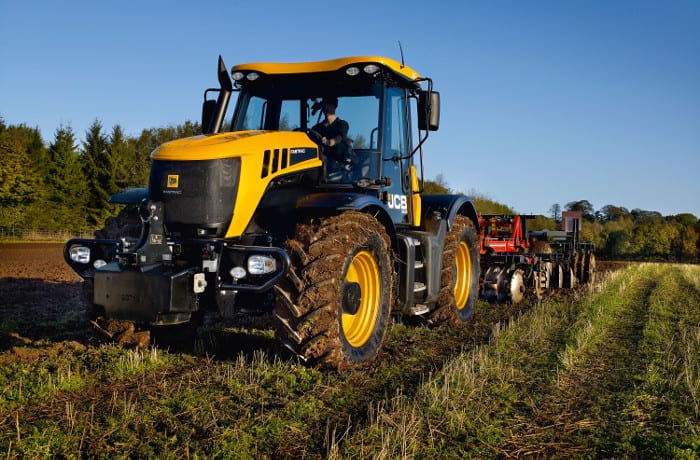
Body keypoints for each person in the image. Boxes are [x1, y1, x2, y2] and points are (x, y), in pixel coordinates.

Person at [311, 97, 351, 165]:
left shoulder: (342, 124)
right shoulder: (316, 128)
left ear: (335, 107)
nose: (326, 108)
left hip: (337, 164)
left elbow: (339, 138)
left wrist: (329, 142)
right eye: (324, 105)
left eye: (329, 105)